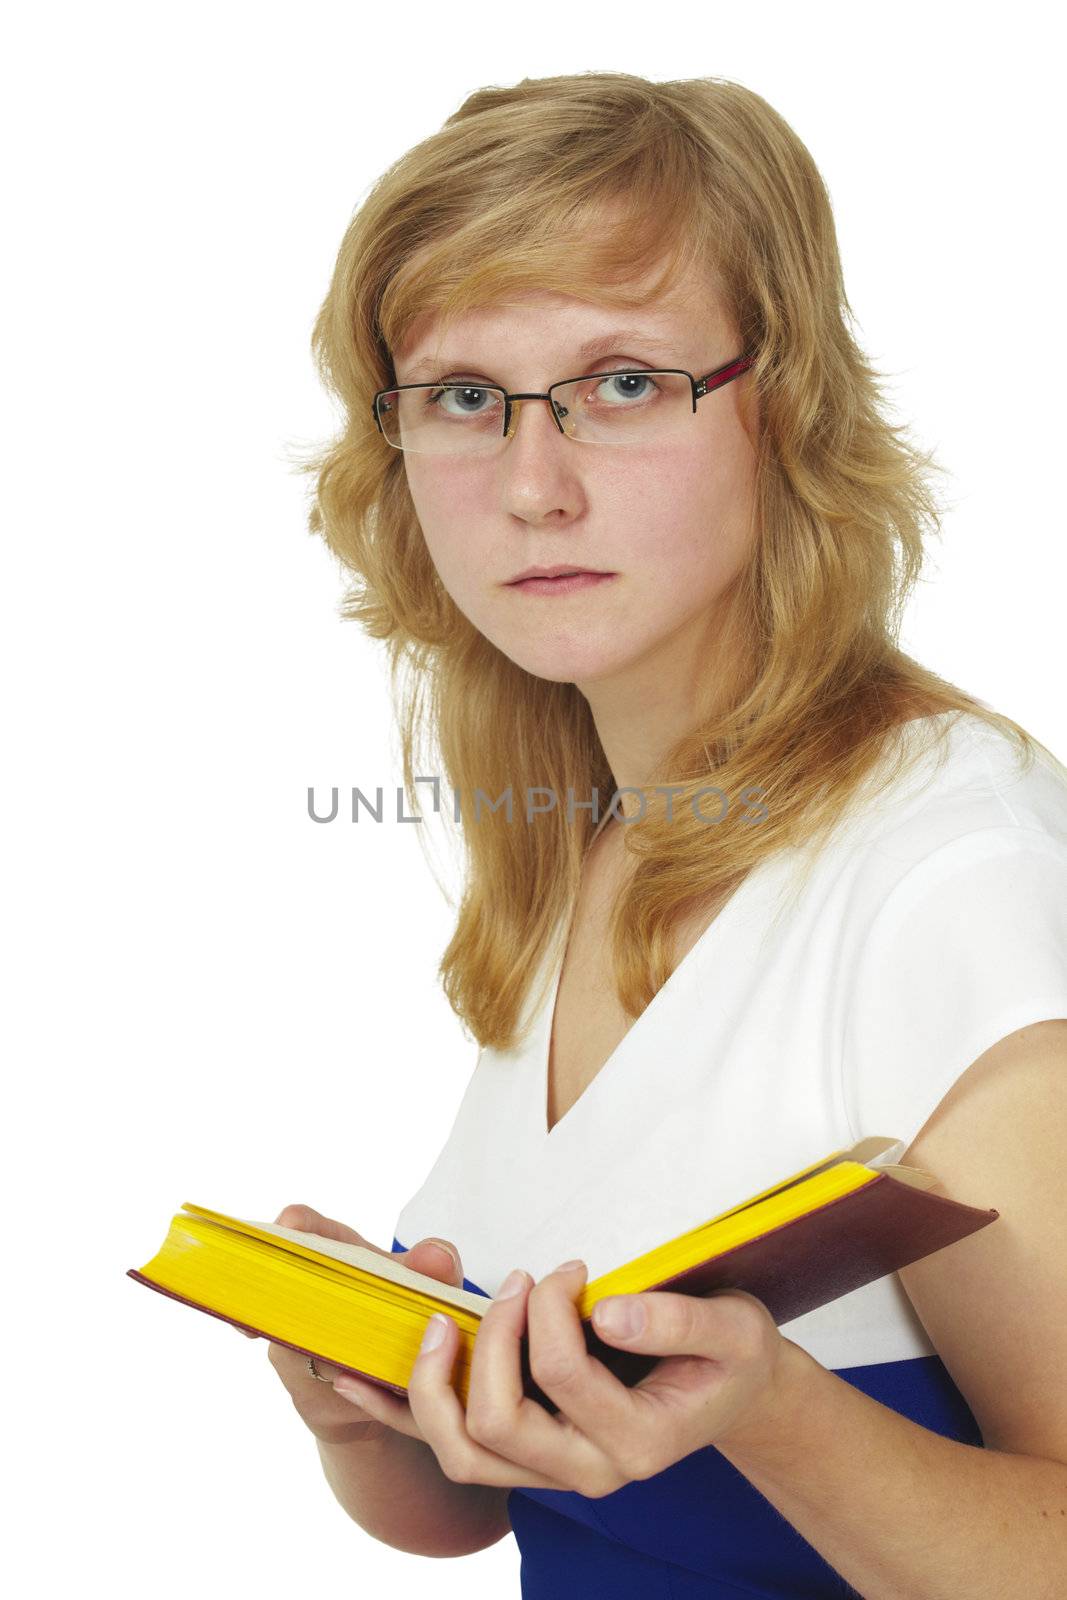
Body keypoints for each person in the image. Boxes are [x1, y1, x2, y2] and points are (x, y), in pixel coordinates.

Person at [262, 72, 1067, 1596]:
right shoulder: (589, 839)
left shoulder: (950, 877)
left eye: (624, 383)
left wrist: (771, 1413)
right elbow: (505, 1511)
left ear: (790, 404)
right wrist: (373, 1416)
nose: (532, 485)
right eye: (462, 397)